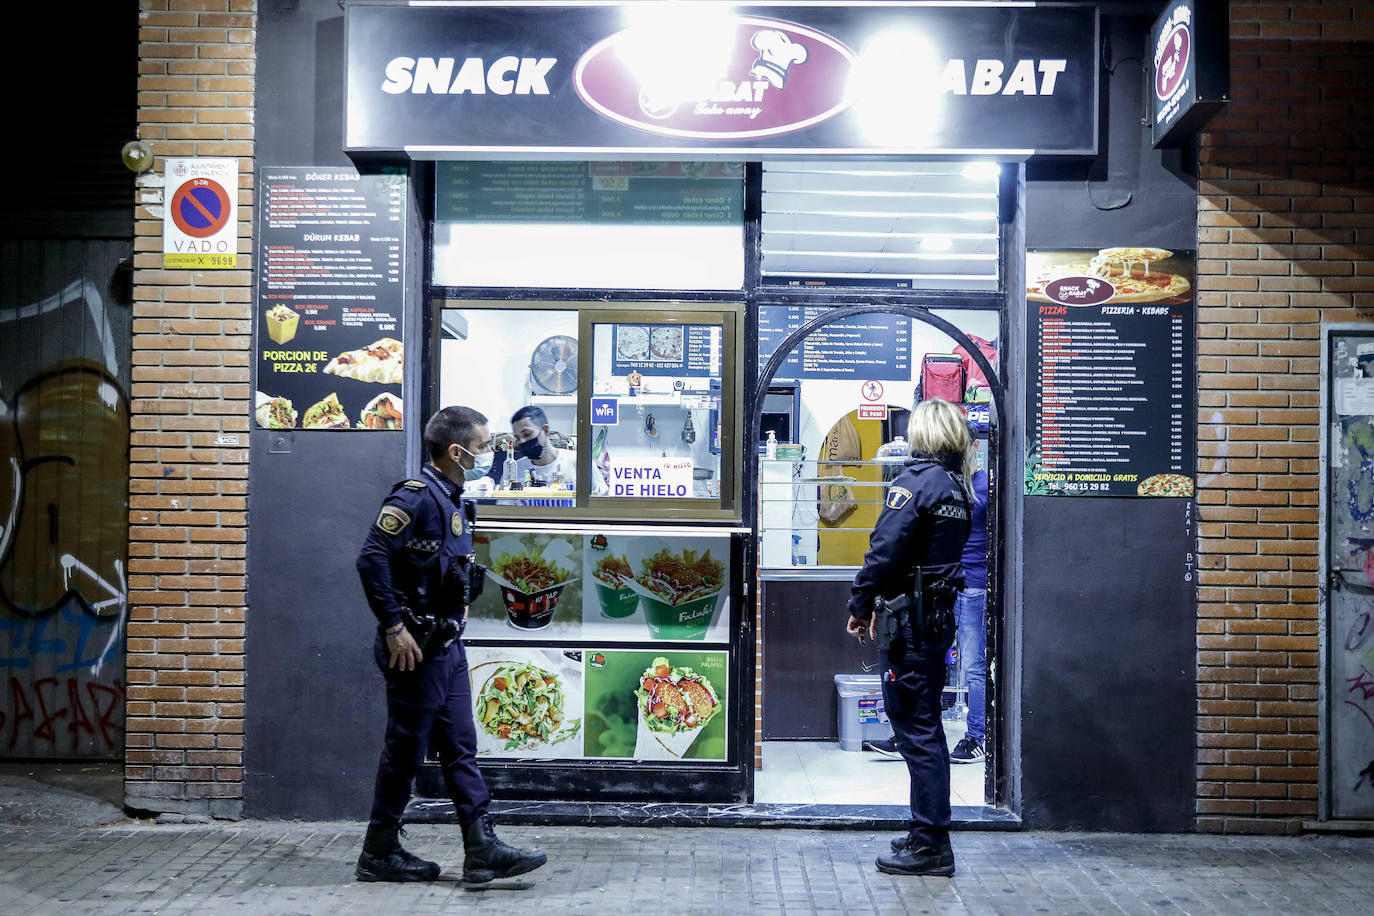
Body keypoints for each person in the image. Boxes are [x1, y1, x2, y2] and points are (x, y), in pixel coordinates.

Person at [354, 406, 547, 884]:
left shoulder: (456, 499)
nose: (488, 456)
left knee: (461, 746)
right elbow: (371, 558)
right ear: (456, 451)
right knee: (405, 751)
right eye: (482, 448)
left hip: (446, 645)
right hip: (414, 648)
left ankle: (481, 849)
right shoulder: (416, 497)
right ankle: (379, 851)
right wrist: (392, 626)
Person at [846, 398, 973, 877]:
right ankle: (926, 832)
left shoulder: (915, 484)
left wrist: (860, 606)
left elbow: (883, 552)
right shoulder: (957, 489)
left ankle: (931, 846)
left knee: (916, 733)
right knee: (927, 729)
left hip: (910, 626)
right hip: (936, 620)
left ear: (922, 434)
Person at [951, 465, 989, 764]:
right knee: (926, 659)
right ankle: (911, 733)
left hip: (974, 586)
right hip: (943, 584)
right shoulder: (946, 481)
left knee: (974, 666)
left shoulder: (987, 484)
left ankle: (977, 738)